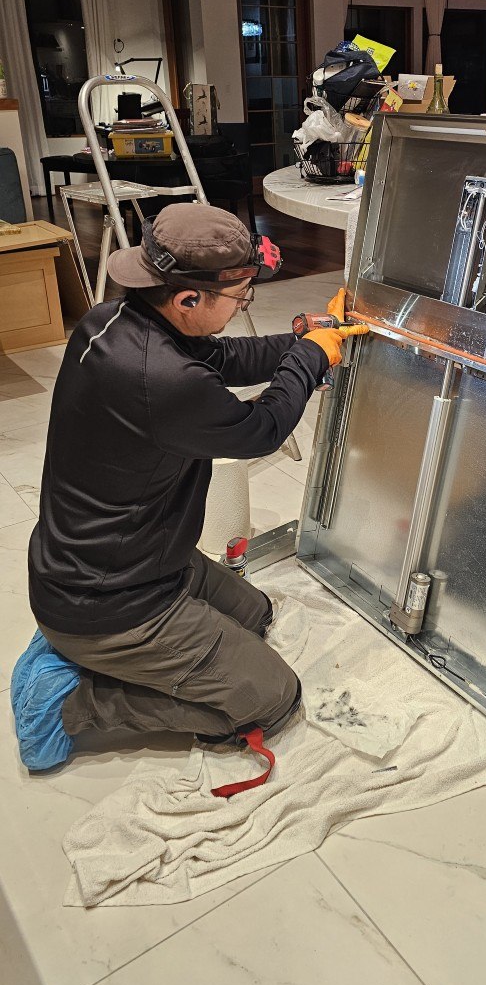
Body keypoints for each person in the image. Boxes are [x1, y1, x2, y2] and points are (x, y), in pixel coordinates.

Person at [12, 203, 367, 771]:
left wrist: (306, 338)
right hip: (110, 601)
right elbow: (261, 429)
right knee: (271, 699)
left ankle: (83, 650)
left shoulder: (111, 321)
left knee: (255, 614)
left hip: (123, 562)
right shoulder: (163, 380)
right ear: (187, 299)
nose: (243, 306)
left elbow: (221, 356)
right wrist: (308, 361)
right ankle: (73, 703)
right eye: (240, 298)